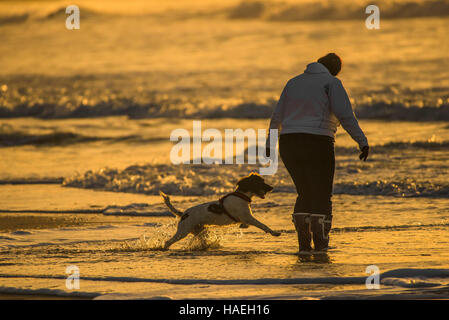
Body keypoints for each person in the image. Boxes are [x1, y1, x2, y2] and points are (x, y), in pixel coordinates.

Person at [266, 53, 369, 253]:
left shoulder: (293, 82)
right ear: (336, 70)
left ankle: (304, 245)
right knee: (321, 193)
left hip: (289, 142)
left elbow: (276, 116)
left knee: (304, 191)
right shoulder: (332, 83)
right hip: (318, 141)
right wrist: (362, 141)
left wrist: (270, 143)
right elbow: (345, 115)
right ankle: (321, 246)